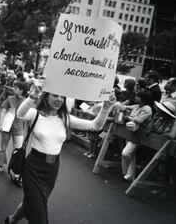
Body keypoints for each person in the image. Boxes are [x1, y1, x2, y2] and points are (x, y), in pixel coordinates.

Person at [6, 83, 116, 224]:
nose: (59, 99)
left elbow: (95, 126)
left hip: (51, 170)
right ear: (46, 96)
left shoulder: (65, 118)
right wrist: (32, 96)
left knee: (34, 202)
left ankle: (12, 219)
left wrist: (106, 107)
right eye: (55, 95)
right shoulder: (35, 114)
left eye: (62, 97)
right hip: (33, 167)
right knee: (39, 210)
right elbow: (20, 114)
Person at [0, 81, 30, 185]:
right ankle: (1, 164)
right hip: (7, 127)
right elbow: (3, 111)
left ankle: (15, 171)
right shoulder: (10, 98)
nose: (14, 88)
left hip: (19, 129)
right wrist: (1, 124)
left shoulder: (26, 102)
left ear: (21, 90)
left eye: (16, 87)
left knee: (18, 151)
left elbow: (28, 116)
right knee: (3, 147)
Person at [120, 90, 154, 181]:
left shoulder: (147, 108)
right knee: (131, 155)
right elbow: (127, 107)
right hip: (130, 131)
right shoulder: (137, 106)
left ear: (143, 99)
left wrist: (128, 117)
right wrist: (121, 106)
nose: (135, 97)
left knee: (126, 153)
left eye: (138, 96)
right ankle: (129, 175)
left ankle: (125, 172)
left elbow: (139, 120)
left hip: (139, 134)